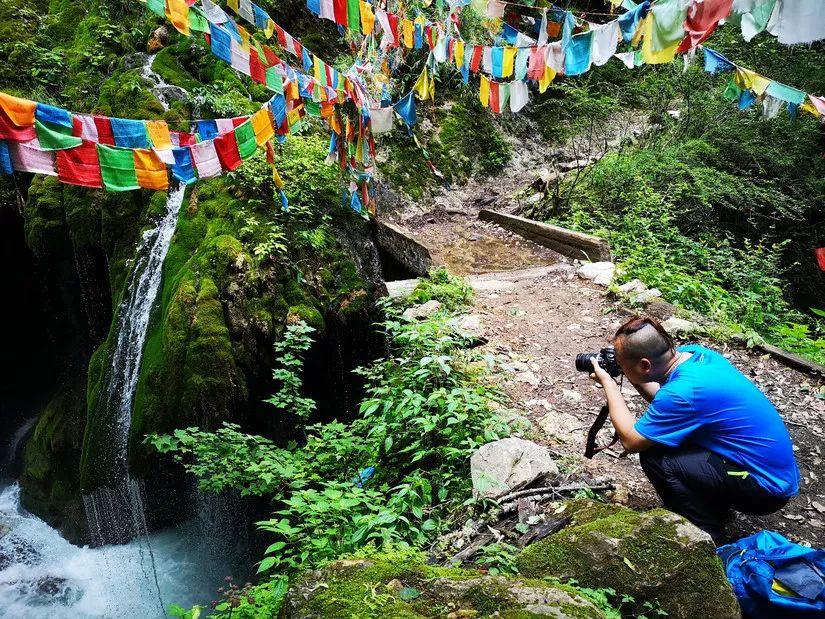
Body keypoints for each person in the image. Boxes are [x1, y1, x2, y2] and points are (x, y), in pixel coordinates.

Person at [589, 315, 800, 544]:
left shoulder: (683, 393)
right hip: (772, 472)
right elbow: (665, 402)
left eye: (622, 366)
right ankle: (715, 506)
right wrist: (629, 371)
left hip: (765, 490)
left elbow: (630, 441)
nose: (620, 369)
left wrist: (610, 384)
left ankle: (707, 533)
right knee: (668, 438)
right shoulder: (697, 355)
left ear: (644, 365)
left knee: (655, 456)